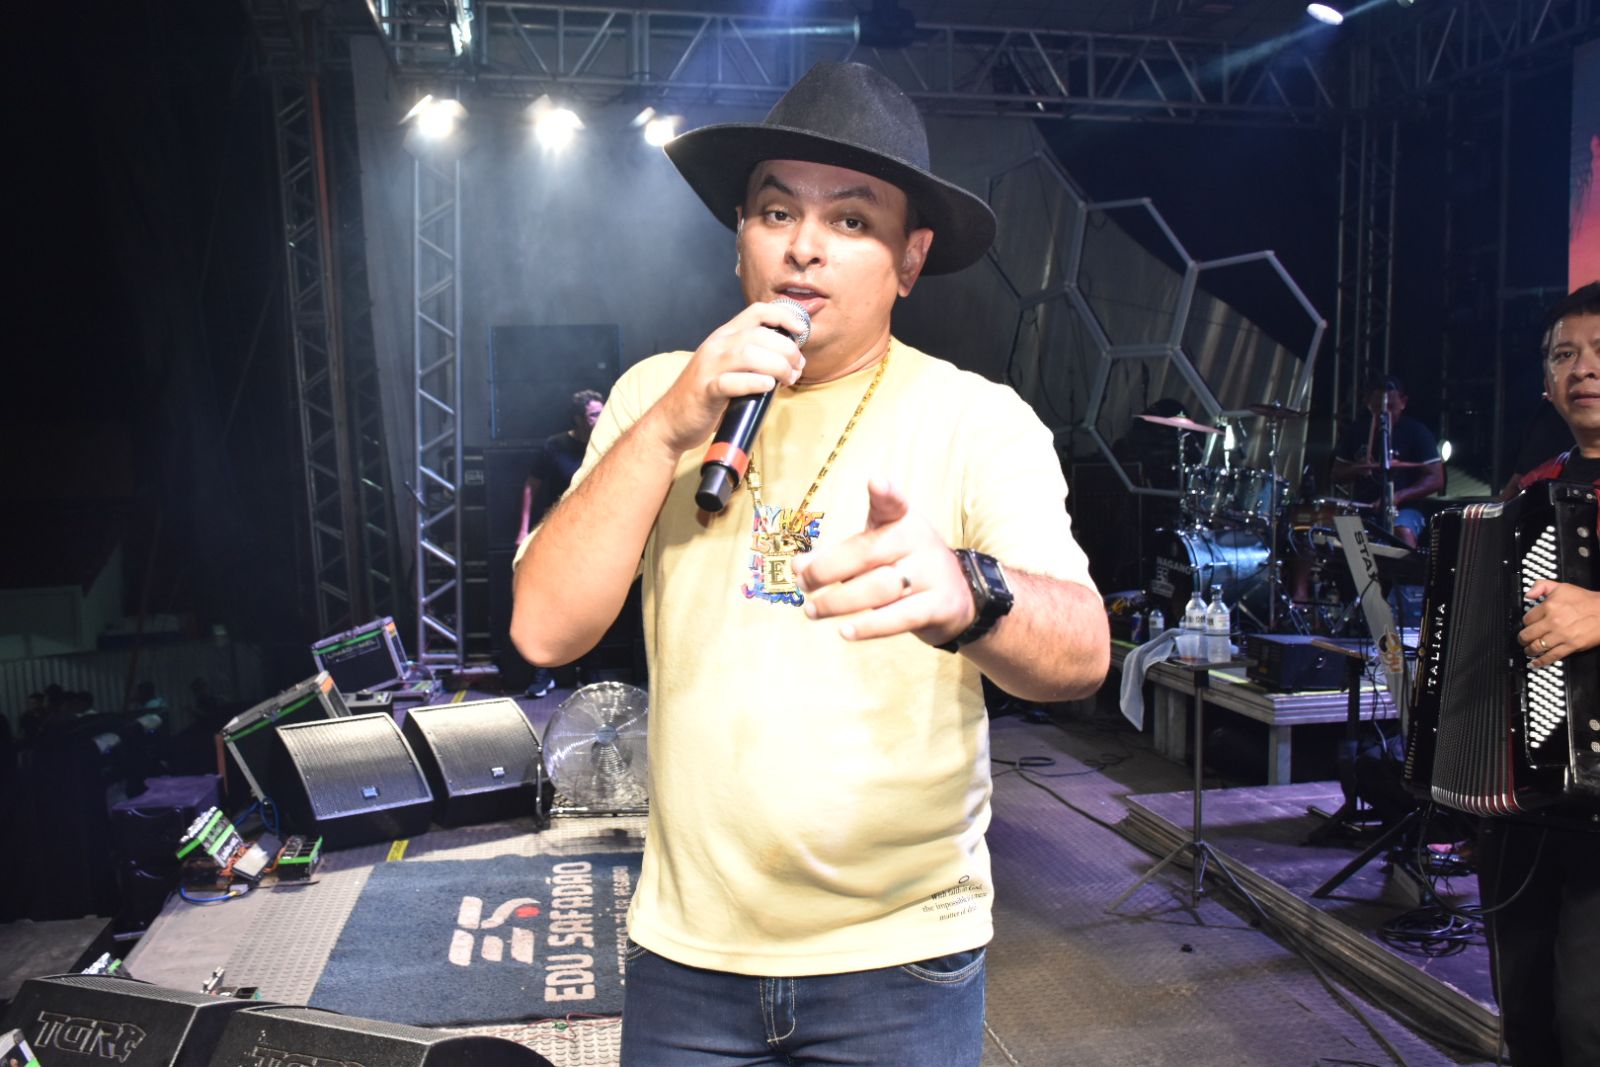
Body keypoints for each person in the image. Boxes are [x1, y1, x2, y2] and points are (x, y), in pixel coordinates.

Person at [511, 61, 1108, 1066]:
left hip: (902, 960)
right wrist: (671, 426)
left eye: (851, 220)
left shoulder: (978, 421)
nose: (802, 246)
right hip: (688, 956)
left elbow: (1084, 653)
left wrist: (972, 592)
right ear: (740, 236)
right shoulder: (660, 395)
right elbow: (543, 629)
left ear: (910, 260)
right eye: (776, 211)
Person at [1476, 281, 1600, 1066]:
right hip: (1525, 802)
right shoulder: (1531, 491)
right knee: (1523, 1014)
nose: (1583, 368)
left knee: (1589, 1022)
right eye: (1564, 355)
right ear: (1547, 384)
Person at [516, 388, 604, 697]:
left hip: (591, 534)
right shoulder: (555, 446)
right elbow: (531, 485)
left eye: (602, 413)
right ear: (578, 418)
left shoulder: (606, 443)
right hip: (555, 533)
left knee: (590, 605)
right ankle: (544, 674)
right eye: (594, 414)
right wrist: (523, 530)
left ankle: (588, 671)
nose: (600, 419)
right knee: (550, 603)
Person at [1329, 374, 1445, 547]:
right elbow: (1336, 475)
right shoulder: (1356, 431)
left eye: (1391, 407)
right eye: (1378, 407)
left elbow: (1436, 479)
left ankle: (1408, 565)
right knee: (1335, 534)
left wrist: (1397, 497)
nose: (1385, 413)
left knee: (1402, 532)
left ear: (1403, 402)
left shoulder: (1417, 432)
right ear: (1368, 403)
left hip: (1405, 508)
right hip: (1364, 507)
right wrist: (1356, 468)